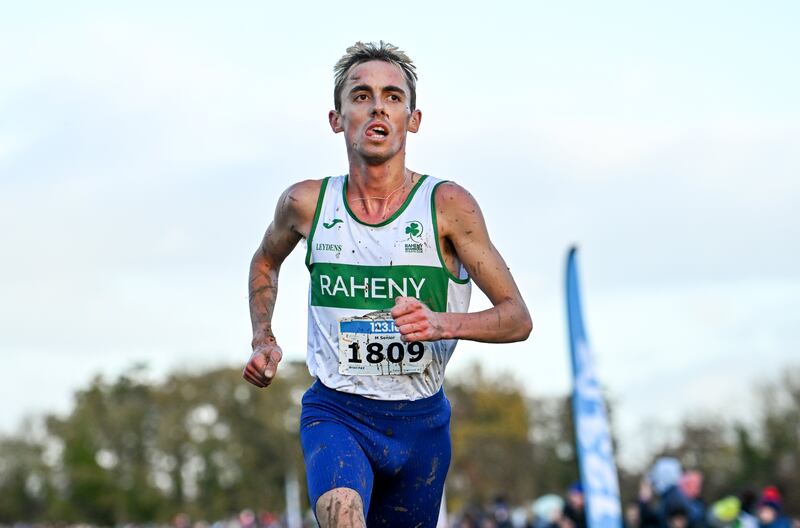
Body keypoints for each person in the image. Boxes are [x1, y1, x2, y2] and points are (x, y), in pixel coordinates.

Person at [243, 41, 532, 528]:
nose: (378, 106)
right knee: (344, 516)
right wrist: (263, 337)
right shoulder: (306, 204)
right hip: (338, 412)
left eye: (393, 97)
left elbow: (517, 318)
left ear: (412, 120)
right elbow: (265, 262)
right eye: (361, 95)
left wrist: (441, 322)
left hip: (421, 426)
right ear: (337, 118)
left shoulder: (447, 206)